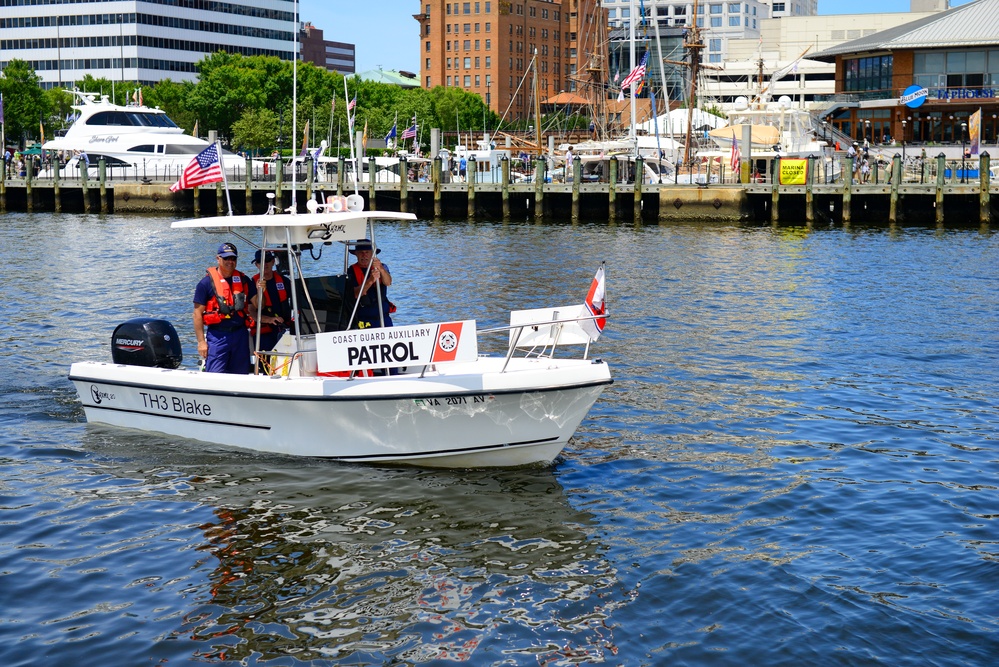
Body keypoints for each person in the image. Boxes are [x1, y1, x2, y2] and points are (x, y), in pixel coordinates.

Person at [193, 242, 259, 374]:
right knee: (215, 374)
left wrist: (261, 290)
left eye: (233, 258)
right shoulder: (205, 284)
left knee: (241, 374)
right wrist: (201, 342)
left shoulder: (244, 280)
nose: (230, 261)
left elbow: (257, 305)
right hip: (218, 336)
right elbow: (197, 314)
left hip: (240, 334)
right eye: (226, 258)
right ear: (218, 258)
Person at [249, 249, 292, 351]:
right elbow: (251, 312)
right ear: (257, 265)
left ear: (273, 262)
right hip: (264, 334)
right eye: (260, 261)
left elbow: (297, 304)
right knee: (266, 364)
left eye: (267, 260)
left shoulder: (284, 281)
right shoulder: (251, 284)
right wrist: (269, 320)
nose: (265, 264)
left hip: (284, 330)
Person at [345, 239, 393, 329]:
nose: (364, 255)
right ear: (356, 254)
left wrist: (381, 269)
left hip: (383, 318)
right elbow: (355, 294)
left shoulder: (382, 267)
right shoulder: (351, 271)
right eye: (361, 252)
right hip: (363, 320)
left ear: (372, 254)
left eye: (367, 252)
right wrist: (370, 280)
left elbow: (388, 282)